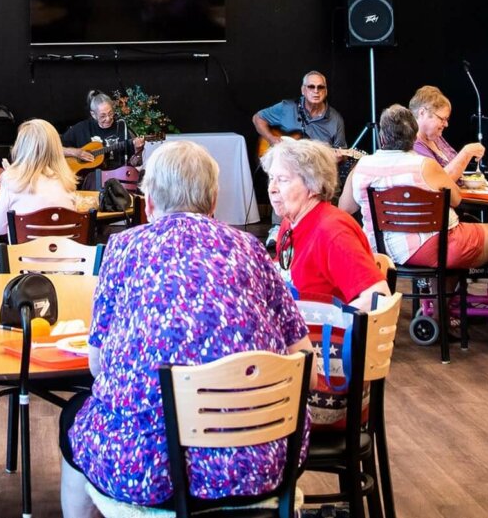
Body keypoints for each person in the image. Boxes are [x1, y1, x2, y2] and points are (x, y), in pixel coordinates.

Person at [62, 140, 309, 517]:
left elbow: (97, 365)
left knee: (74, 417)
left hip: (144, 470)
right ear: (213, 203)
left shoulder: (123, 248)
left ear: (148, 204)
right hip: (259, 463)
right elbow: (303, 355)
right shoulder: (252, 249)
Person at [340, 105, 488, 270]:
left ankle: (439, 298)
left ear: (382, 138)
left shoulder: (361, 166)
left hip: (378, 248)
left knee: (460, 241)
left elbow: (345, 207)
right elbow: (457, 199)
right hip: (432, 248)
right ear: (414, 137)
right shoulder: (426, 166)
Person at [263, 139, 386, 311]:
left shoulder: (332, 232)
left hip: (319, 334)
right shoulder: (289, 223)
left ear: (313, 185)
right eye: (271, 178)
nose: (271, 188)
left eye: (282, 180)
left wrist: (333, 326)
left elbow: (378, 296)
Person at [0, 118, 80, 241]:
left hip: (22, 259)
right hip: (68, 259)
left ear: (21, 147)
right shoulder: (67, 182)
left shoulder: (11, 182)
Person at [61, 89, 146, 193]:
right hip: (93, 181)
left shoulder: (121, 127)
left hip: (118, 177)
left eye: (110, 113)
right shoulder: (81, 129)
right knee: (94, 179)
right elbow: (55, 149)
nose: (108, 118)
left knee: (144, 177)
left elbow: (134, 163)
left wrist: (138, 151)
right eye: (102, 116)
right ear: (93, 115)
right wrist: (76, 152)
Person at [253, 70, 351, 150]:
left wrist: (339, 158)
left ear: (326, 92)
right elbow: (258, 118)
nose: (316, 91)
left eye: (320, 87)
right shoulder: (287, 107)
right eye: (311, 87)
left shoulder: (336, 119)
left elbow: (341, 151)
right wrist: (271, 138)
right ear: (303, 90)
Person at [406, 85, 464, 168]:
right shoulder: (413, 145)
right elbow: (438, 178)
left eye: (446, 119)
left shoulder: (435, 136)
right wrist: (466, 153)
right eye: (442, 119)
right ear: (422, 113)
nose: (446, 124)